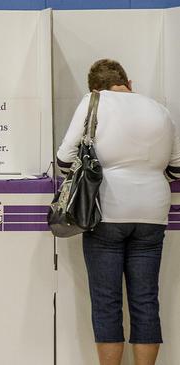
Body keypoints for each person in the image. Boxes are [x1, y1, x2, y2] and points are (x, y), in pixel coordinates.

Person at [57, 59, 180, 365]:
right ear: (129, 82)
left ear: (95, 88)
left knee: (107, 302)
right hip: (153, 214)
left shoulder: (93, 102)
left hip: (107, 213)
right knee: (145, 300)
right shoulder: (159, 109)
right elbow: (177, 168)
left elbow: (64, 159)